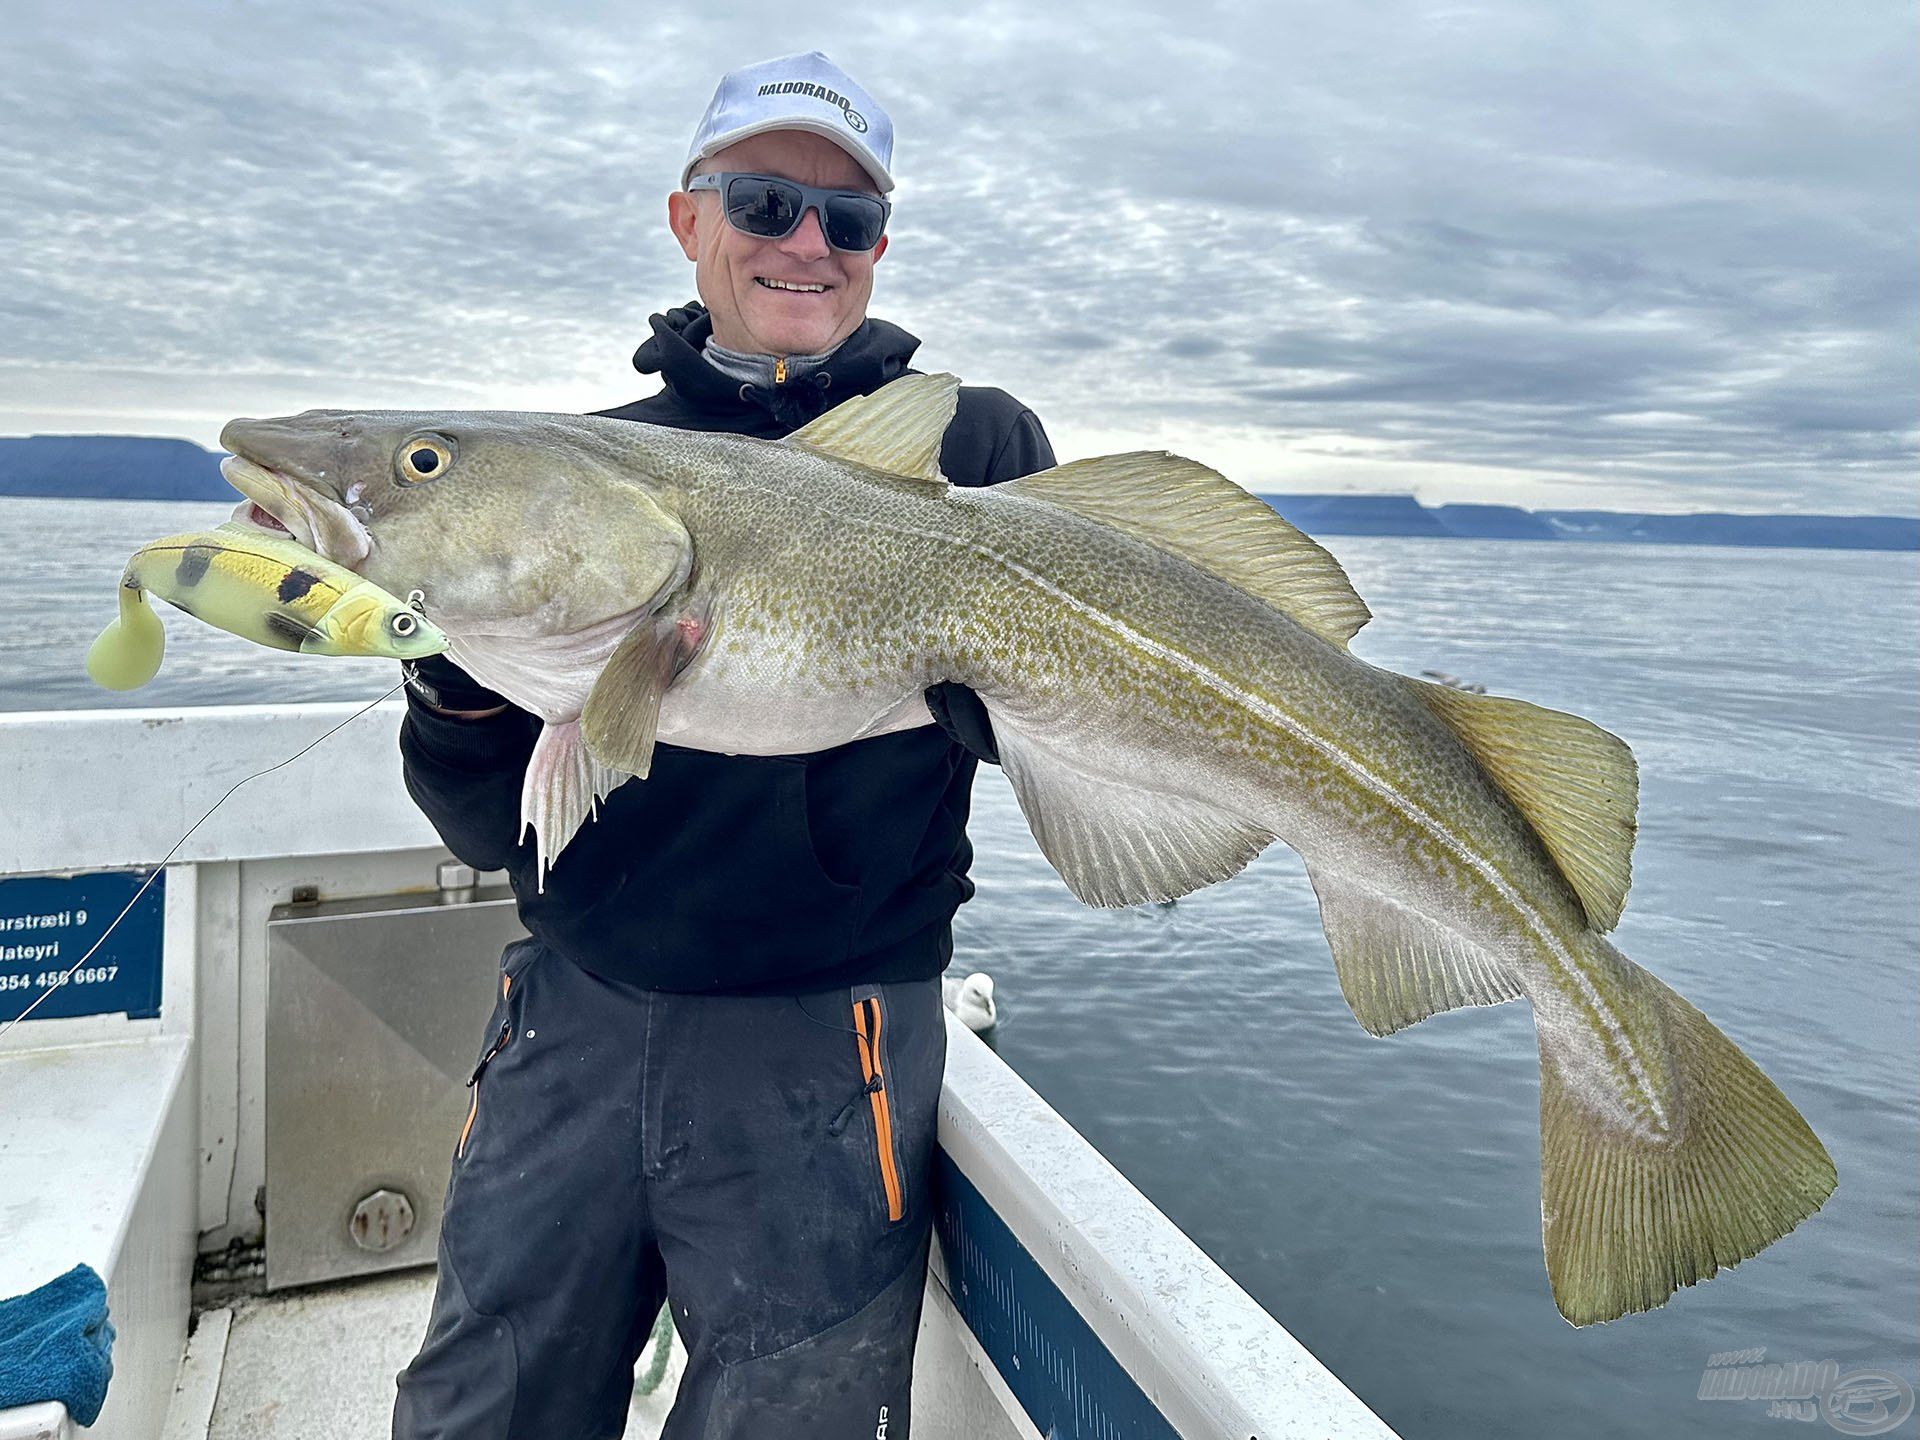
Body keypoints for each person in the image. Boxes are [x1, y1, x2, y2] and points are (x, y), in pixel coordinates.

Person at [391, 52, 1054, 1440]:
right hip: (573, 1016)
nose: (806, 244)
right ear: (688, 219)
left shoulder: (974, 452)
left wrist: (1026, 714)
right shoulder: (579, 476)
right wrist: (453, 690)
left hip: (834, 1039)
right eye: (763, 201)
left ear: (879, 248)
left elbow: (1079, 737)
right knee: (482, 1405)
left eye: (849, 219)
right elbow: (483, 826)